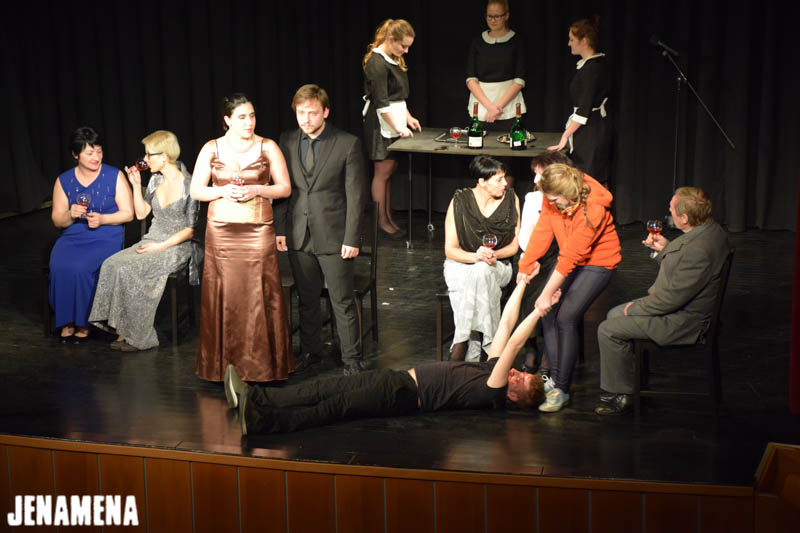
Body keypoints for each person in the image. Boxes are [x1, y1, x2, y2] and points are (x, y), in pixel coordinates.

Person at [224, 274, 559, 434]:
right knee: (324, 388)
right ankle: (257, 396)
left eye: (520, 379)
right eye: (521, 372)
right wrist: (522, 283)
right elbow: (505, 328)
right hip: (396, 380)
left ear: (513, 396)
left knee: (333, 407)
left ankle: (262, 421)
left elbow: (514, 344)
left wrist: (540, 311)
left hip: (402, 394)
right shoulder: (493, 370)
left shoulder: (493, 392)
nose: (515, 372)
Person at [595, 187, 731, 415]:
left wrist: (633, 308)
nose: (669, 212)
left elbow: (670, 300)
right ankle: (630, 383)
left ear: (684, 218)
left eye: (672, 209)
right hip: (682, 307)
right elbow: (684, 271)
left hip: (682, 321)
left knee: (608, 329)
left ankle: (623, 394)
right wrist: (666, 250)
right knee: (614, 315)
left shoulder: (698, 250)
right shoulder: (711, 231)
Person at [190, 93, 292, 382]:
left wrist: (257, 189)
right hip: (221, 232)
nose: (249, 122)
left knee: (258, 294)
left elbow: (284, 188)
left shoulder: (268, 146)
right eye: (242, 117)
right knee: (225, 295)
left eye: (252, 116)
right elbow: (196, 190)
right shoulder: (211, 148)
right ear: (227, 120)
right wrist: (222, 191)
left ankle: (261, 367)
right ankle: (223, 366)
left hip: (258, 230)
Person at [274, 84, 368, 376]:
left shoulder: (347, 143)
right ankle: (312, 353)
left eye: (312, 113)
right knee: (307, 300)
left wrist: (352, 238)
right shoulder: (287, 140)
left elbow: (356, 196)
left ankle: (351, 360)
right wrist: (280, 229)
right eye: (301, 112)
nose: (306, 119)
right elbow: (284, 190)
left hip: (334, 236)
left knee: (342, 301)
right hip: (298, 233)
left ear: (325, 112)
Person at [517, 163, 620, 412]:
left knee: (566, 317)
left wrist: (545, 294)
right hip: (570, 258)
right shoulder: (554, 194)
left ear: (567, 194)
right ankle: (553, 378)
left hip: (599, 261)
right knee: (549, 314)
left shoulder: (594, 207)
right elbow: (543, 230)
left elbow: (571, 256)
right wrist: (526, 265)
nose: (551, 203)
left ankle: (561, 389)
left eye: (554, 200)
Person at [89, 130, 200, 351]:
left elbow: (191, 230)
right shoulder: (155, 180)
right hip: (152, 239)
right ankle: (122, 328)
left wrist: (161, 246)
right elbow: (141, 214)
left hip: (177, 246)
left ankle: (141, 337)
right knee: (111, 264)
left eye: (149, 155)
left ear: (164, 156)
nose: (145, 159)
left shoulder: (189, 184)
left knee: (130, 269)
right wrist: (135, 185)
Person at [48, 126, 134, 343]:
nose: (96, 157)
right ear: (75, 154)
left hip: (106, 234)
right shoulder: (64, 180)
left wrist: (103, 219)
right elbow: (57, 220)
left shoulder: (114, 175)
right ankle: (66, 321)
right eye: (89, 153)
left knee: (80, 267)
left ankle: (83, 323)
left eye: (99, 151)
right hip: (74, 234)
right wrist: (70, 214)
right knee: (59, 265)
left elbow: (128, 213)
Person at [444, 156, 520, 362]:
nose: (505, 183)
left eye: (504, 178)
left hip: (497, 265)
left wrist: (494, 255)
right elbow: (450, 250)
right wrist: (475, 256)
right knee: (478, 273)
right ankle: (490, 350)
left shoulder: (511, 199)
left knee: (482, 271)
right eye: (499, 179)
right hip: (461, 265)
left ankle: (461, 344)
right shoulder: (460, 200)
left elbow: (514, 246)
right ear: (482, 182)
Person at [362, 18, 421, 237]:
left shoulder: (394, 59)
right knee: (382, 172)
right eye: (403, 46)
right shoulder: (377, 63)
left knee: (389, 171)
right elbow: (382, 103)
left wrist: (408, 118)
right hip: (381, 123)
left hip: (394, 119)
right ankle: (381, 221)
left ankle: (387, 217)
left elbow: (397, 97)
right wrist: (398, 126)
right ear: (391, 39)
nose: (406, 51)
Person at [517, 151, 572, 373]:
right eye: (535, 174)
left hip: (562, 257)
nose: (535, 179)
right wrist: (530, 259)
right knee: (525, 286)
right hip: (537, 255)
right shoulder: (532, 199)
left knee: (556, 292)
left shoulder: (569, 199)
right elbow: (525, 236)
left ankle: (550, 357)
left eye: (539, 174)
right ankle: (531, 347)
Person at [547, 17, 611, 186]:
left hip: (591, 131)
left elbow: (583, 110)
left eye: (572, 40)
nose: (569, 44)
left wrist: (565, 136)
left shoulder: (592, 69)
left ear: (584, 41)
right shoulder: (592, 65)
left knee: (588, 178)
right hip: (592, 128)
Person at [466, 0, 526, 132]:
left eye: (497, 16)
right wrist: (489, 106)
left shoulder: (516, 41)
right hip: (482, 105)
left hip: (508, 106)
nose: (493, 20)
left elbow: (519, 79)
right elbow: (471, 79)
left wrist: (497, 107)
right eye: (489, 16)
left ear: (506, 16)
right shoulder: (477, 42)